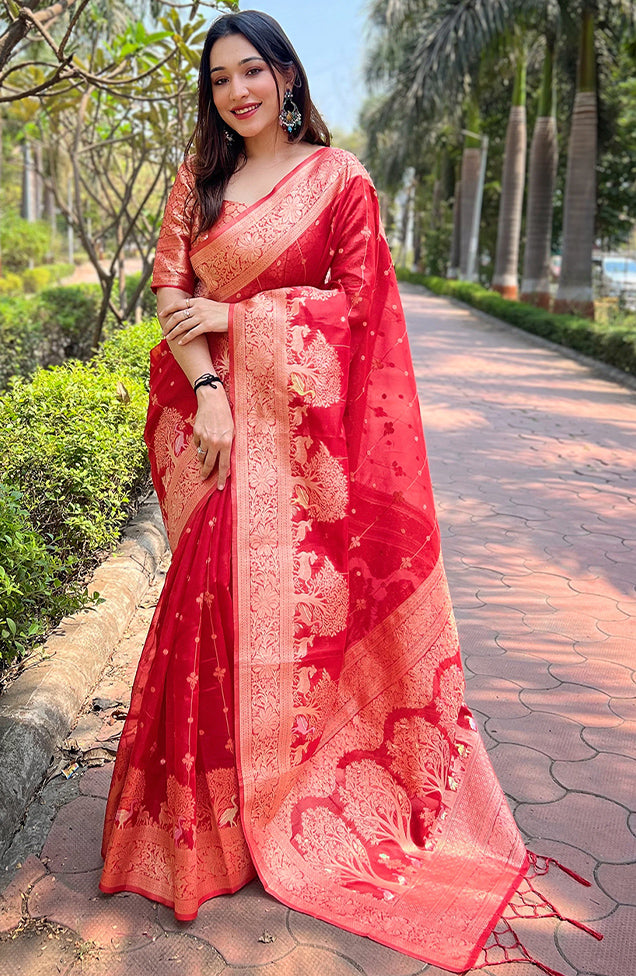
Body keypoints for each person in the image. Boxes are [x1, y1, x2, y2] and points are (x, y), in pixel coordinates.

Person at [100, 10, 599, 974]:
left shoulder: (340, 180)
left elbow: (364, 308)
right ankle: (202, 833)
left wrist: (244, 323)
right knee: (205, 608)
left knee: (287, 632)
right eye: (219, 79)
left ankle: (279, 815)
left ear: (287, 76)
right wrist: (208, 391)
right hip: (220, 433)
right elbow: (171, 293)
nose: (238, 91)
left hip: (297, 451)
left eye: (253, 71)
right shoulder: (197, 185)